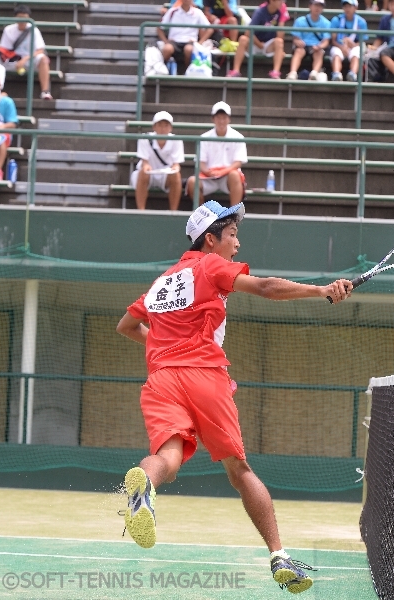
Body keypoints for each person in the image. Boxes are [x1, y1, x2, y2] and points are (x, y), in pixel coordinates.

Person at [116, 199, 353, 593]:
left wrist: (161, 349)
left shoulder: (163, 281)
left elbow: (127, 325)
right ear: (210, 240)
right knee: (240, 472)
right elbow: (264, 287)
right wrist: (322, 290)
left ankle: (144, 494)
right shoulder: (210, 265)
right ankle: (279, 556)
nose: (238, 243)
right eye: (232, 234)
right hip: (206, 377)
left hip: (160, 379)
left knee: (168, 459)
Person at [186, 101, 247, 206]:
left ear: (229, 119)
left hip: (228, 177)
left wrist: (223, 172)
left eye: (224, 118)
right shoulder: (204, 138)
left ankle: (234, 216)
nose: (221, 121)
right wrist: (208, 172)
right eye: (218, 118)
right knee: (192, 182)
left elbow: (238, 163)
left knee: (235, 175)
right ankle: (201, 215)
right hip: (208, 177)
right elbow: (201, 163)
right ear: (213, 119)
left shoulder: (238, 137)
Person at [0, 5, 52, 100]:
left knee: (43, 59)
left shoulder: (33, 29)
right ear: (15, 18)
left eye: (25, 18)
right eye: (20, 18)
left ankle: (45, 92)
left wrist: (25, 59)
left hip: (29, 60)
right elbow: (5, 49)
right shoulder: (8, 30)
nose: (22, 21)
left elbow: (40, 50)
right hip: (13, 60)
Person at [130, 111, 184, 211]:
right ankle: (141, 211)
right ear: (154, 127)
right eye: (160, 125)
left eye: (166, 125)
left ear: (170, 127)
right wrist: (147, 167)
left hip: (166, 174)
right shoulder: (144, 138)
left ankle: (173, 212)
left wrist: (174, 169)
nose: (163, 128)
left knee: (177, 176)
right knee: (143, 173)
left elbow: (177, 164)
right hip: (148, 174)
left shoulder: (177, 140)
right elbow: (145, 163)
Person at [227, 0, 290, 79]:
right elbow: (248, 32)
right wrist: (259, 45)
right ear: (272, 1)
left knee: (279, 41)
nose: (282, 2)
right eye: (279, 0)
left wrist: (281, 24)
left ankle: (275, 72)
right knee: (243, 39)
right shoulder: (260, 12)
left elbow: (280, 35)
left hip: (268, 44)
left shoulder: (280, 13)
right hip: (254, 43)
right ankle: (236, 70)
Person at [157, 0, 213, 69]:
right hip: (174, 41)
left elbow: (210, 29)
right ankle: (162, 70)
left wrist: (199, 43)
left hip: (190, 42)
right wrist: (166, 41)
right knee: (167, 48)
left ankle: (186, 70)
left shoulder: (198, 12)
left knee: (189, 49)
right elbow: (159, 28)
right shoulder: (172, 11)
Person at [286, 0, 331, 80]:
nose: (317, 8)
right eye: (315, 5)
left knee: (319, 53)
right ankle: (292, 73)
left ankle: (314, 73)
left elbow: (326, 41)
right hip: (303, 46)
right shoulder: (300, 21)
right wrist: (298, 42)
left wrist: (319, 46)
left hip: (316, 46)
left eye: (320, 6)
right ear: (310, 6)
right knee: (299, 51)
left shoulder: (326, 23)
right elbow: (295, 39)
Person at [330, 0, 368, 82]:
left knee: (356, 52)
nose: (347, 9)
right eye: (345, 6)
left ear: (355, 7)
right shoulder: (336, 20)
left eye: (350, 6)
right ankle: (336, 74)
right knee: (336, 53)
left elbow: (362, 42)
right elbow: (333, 40)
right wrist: (342, 47)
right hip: (339, 46)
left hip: (354, 46)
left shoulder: (361, 22)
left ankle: (352, 74)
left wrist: (352, 45)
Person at [0, 63, 18, 180]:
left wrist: (2, 127)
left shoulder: (6, 101)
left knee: (1, 139)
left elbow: (12, 123)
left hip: (1, 132)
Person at [367, 0, 394, 77]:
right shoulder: (385, 19)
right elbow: (379, 38)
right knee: (383, 53)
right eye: (392, 4)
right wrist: (374, 48)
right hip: (390, 48)